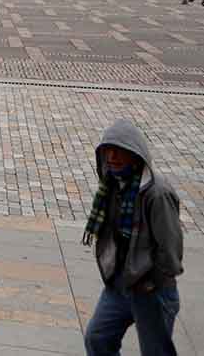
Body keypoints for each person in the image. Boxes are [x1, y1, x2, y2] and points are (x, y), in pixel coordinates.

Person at [83, 118, 183, 355]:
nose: (113, 157)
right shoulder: (111, 186)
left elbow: (170, 251)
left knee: (155, 351)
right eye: (109, 151)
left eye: (120, 151)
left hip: (152, 291)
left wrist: (150, 283)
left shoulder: (157, 194)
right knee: (97, 339)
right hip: (120, 285)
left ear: (136, 154)